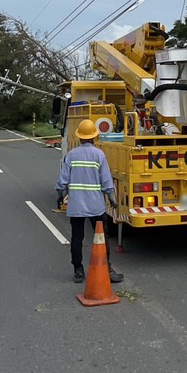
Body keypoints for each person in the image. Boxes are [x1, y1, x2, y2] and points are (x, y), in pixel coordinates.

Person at [56, 119, 123, 284]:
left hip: (76, 206)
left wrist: (60, 195)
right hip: (96, 206)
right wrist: (113, 201)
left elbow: (62, 182)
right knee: (102, 237)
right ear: (94, 136)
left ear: (79, 137)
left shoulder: (71, 155)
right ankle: (107, 269)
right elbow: (107, 183)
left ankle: (78, 271)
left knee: (77, 238)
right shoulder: (99, 155)